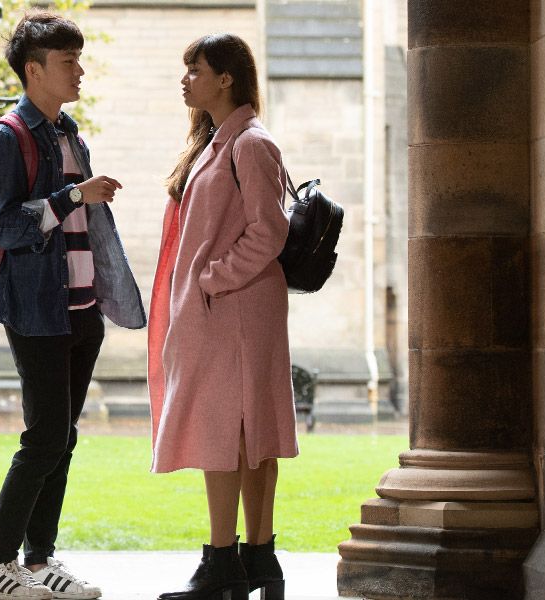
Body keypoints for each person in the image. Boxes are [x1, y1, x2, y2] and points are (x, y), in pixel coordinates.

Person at [0, 11, 147, 600]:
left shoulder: (70, 134)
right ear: (34, 70)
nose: (79, 71)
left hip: (81, 309)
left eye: (79, 59)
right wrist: (73, 195)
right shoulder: (6, 138)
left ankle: (39, 560)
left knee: (62, 438)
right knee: (44, 437)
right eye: (67, 62)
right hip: (37, 310)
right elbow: (2, 227)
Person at [146, 33, 297, 600]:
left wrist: (214, 278)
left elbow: (270, 228)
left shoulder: (250, 144)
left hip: (234, 309)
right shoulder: (220, 141)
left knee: (229, 432)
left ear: (226, 78)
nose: (185, 79)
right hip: (227, 310)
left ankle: (223, 561)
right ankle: (256, 559)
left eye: (195, 69)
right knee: (243, 434)